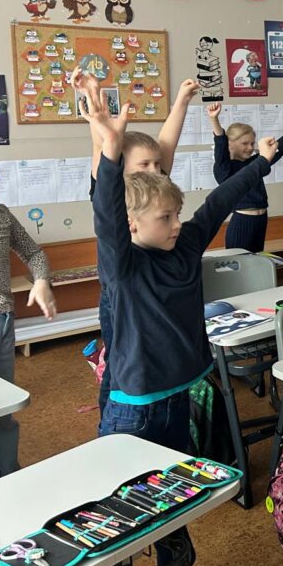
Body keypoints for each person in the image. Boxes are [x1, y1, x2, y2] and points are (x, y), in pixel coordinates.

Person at [80, 73, 276, 566]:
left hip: (181, 398)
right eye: (166, 217)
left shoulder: (184, 244)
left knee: (171, 500)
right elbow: (106, 215)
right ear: (133, 224)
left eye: (176, 215)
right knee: (122, 508)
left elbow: (219, 201)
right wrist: (109, 149)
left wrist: (262, 162)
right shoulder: (122, 267)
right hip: (135, 409)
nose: (176, 224)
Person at [86, 76, 199, 417]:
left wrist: (181, 101)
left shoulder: (155, 188)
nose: (156, 171)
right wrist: (91, 98)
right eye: (144, 165)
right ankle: (115, 417)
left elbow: (166, 144)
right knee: (122, 365)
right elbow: (102, 148)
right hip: (121, 292)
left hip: (147, 283)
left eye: (157, 165)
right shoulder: (111, 190)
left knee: (150, 355)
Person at [0, 148, 55, 478]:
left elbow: (34, 254)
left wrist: (42, 282)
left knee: (4, 407)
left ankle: (8, 474)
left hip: (3, 322)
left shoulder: (2, 215)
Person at [208, 102, 283, 252]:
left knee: (258, 260)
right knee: (241, 263)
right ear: (230, 144)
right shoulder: (224, 168)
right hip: (242, 223)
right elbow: (220, 142)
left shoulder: (256, 163)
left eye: (252, 143)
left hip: (261, 220)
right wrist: (214, 119)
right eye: (245, 143)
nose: (250, 148)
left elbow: (280, 146)